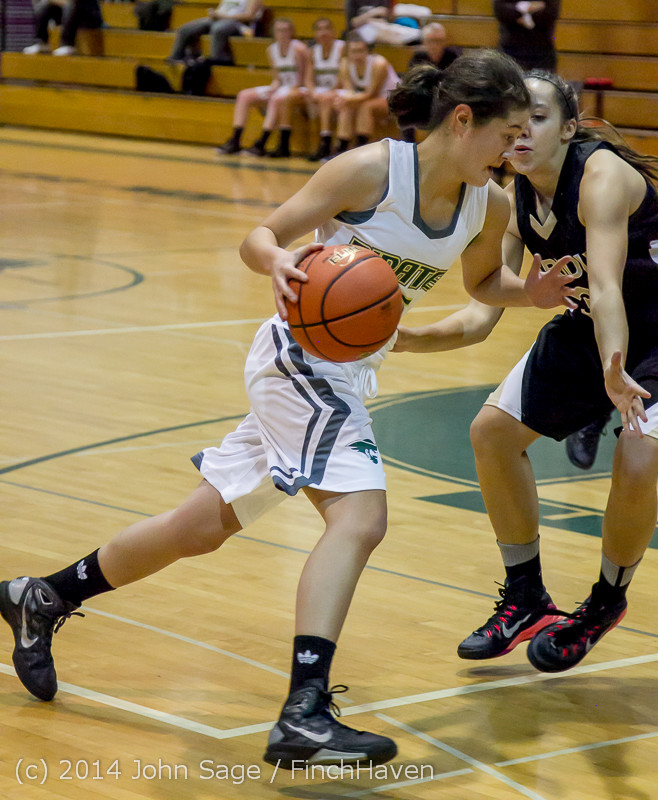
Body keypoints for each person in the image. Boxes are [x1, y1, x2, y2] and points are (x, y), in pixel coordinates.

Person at [0, 50, 574, 769]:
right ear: (463, 120)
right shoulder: (370, 171)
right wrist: (275, 260)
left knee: (199, 527)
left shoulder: (486, 202)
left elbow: (486, 283)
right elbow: (259, 236)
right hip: (299, 357)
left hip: (341, 370)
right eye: (507, 131)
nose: (515, 148)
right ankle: (303, 711)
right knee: (361, 518)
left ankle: (43, 596)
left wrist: (533, 294)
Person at [458, 70, 658, 672]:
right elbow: (481, 312)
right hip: (594, 327)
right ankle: (525, 598)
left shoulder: (601, 178)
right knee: (491, 433)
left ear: (569, 128)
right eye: (514, 120)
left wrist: (612, 370)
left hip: (648, 330)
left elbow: (605, 287)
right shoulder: (509, 197)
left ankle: (604, 602)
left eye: (538, 118)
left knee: (641, 455)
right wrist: (398, 338)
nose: (522, 132)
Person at [217, 18, 308, 157]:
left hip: (299, 88)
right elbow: (277, 77)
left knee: (277, 98)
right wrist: (274, 87)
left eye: (285, 30)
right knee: (244, 95)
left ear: (292, 32)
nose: (282, 33)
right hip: (283, 86)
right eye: (279, 30)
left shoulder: (298, 48)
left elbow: (303, 78)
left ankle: (262, 142)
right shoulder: (271, 50)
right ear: (274, 32)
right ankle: (235, 140)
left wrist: (281, 90)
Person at [330, 33, 399, 156]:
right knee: (347, 106)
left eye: (361, 51)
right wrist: (345, 100)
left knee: (365, 106)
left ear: (367, 51)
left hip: (394, 99)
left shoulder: (379, 64)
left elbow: (371, 94)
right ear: (348, 53)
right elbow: (349, 91)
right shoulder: (345, 64)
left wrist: (349, 99)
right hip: (368, 98)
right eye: (354, 51)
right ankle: (341, 147)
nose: (357, 55)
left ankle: (362, 147)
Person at [402, 22, 462, 143]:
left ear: (444, 42)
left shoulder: (453, 56)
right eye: (431, 41)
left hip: (447, 98)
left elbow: (457, 83)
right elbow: (411, 83)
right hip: (424, 97)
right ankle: (409, 143)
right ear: (424, 42)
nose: (435, 45)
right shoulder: (418, 58)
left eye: (439, 41)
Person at [168, 0, 263, 66]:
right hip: (220, 19)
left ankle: (218, 60)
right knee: (187, 28)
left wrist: (223, 16)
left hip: (238, 24)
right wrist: (214, 14)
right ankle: (177, 56)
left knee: (217, 29)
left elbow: (250, 16)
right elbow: (222, 10)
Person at [304, 18, 345, 162]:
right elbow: (308, 79)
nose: (323, 32)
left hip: (341, 89)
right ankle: (316, 143)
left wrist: (329, 92)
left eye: (327, 28)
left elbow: (343, 78)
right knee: (312, 99)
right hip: (322, 91)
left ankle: (326, 142)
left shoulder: (341, 48)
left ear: (333, 31)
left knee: (325, 99)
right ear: (315, 33)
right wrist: (313, 92)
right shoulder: (313, 51)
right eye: (319, 29)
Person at [493, 1, 560, 71]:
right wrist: (526, 7)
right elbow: (500, 10)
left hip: (542, 50)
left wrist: (523, 17)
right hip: (510, 48)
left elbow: (551, 11)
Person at [23, 0, 102, 55]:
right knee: (43, 5)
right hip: (67, 13)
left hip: (88, 17)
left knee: (72, 4)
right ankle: (42, 42)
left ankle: (67, 44)